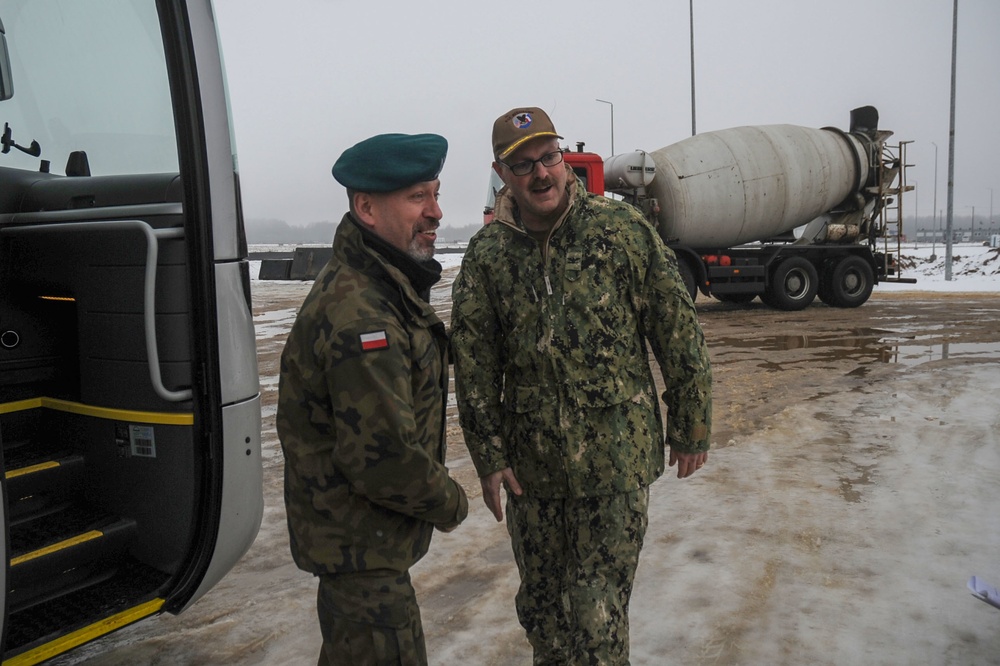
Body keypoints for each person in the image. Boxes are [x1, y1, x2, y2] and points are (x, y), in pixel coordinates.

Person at [450, 107, 712, 664]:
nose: (541, 174)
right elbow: (473, 364)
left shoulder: (620, 232)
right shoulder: (488, 255)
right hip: (532, 473)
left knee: (596, 622)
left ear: (564, 158)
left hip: (615, 463)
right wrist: (488, 455)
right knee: (543, 615)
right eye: (524, 166)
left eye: (549, 157)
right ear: (503, 173)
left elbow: (677, 330)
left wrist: (691, 423)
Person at [277, 133, 468, 666]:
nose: (436, 212)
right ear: (366, 208)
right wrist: (451, 502)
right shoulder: (363, 313)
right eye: (417, 198)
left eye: (435, 194)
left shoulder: (382, 284)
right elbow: (383, 458)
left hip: (363, 548)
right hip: (361, 552)